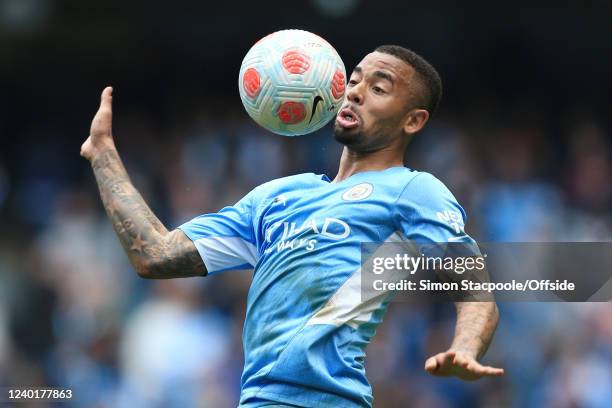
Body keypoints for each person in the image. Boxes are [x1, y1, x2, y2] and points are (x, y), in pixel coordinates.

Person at [81, 45, 503, 407]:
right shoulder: (277, 198)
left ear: (413, 121)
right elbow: (155, 254)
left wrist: (464, 349)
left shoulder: (412, 190)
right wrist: (103, 157)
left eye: (378, 88)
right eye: (353, 81)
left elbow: (476, 293)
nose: (355, 92)